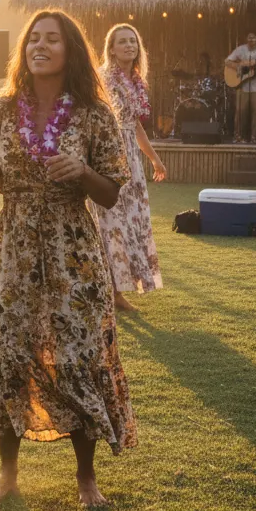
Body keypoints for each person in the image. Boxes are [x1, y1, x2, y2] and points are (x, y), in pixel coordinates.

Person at [0, 9, 136, 507]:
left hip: (72, 249)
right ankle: (8, 474)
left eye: (52, 39)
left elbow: (112, 193)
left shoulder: (94, 114)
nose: (40, 45)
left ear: (70, 50)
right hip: (13, 247)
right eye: (33, 38)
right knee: (9, 350)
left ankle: (86, 479)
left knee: (78, 356)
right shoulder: (1, 110)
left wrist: (80, 171)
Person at [93, 23, 166, 312]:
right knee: (111, 224)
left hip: (131, 158)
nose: (129, 46)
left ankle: (117, 290)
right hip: (108, 155)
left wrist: (154, 158)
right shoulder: (103, 79)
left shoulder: (134, 80)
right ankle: (113, 293)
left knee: (133, 221)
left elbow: (134, 125)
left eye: (133, 41)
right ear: (111, 48)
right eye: (122, 42)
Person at [226, 31, 256, 143]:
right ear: (246, 39)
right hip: (242, 85)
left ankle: (254, 137)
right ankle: (238, 137)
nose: (251, 40)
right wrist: (239, 66)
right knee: (241, 112)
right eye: (249, 38)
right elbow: (227, 61)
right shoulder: (240, 50)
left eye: (253, 38)